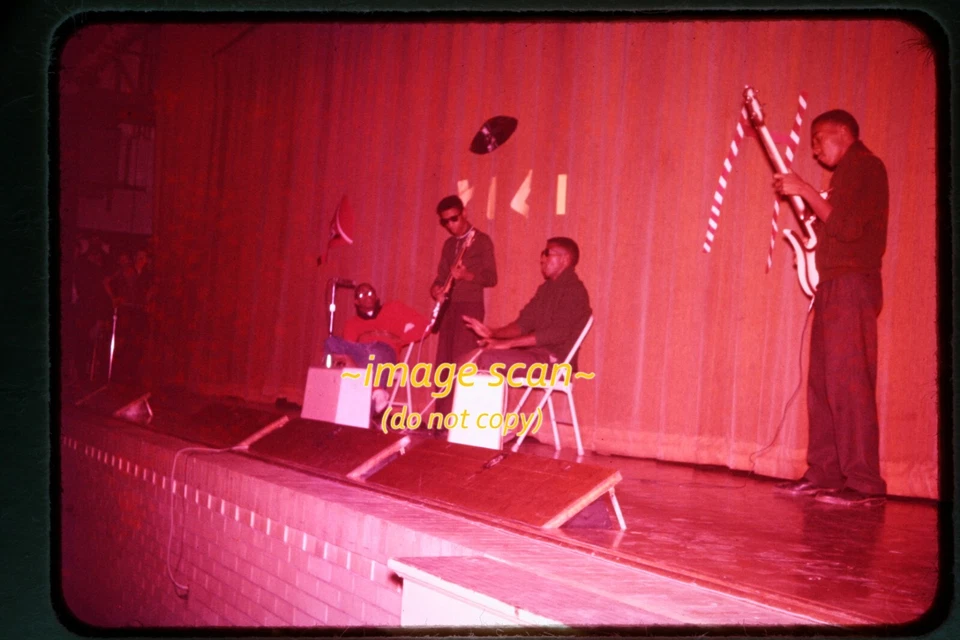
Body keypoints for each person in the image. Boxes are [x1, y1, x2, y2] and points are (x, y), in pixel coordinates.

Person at [771, 109, 889, 507]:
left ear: (843, 133)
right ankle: (826, 473)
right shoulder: (845, 179)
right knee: (824, 385)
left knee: (849, 384)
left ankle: (864, 483)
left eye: (819, 139)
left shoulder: (866, 167)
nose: (816, 150)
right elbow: (834, 229)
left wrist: (805, 190)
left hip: (852, 285)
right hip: (834, 285)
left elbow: (850, 228)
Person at [463, 237, 592, 375]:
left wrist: (507, 344)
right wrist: (493, 333)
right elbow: (522, 325)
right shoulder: (546, 289)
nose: (542, 259)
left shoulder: (574, 291)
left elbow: (556, 334)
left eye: (548, 253)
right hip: (537, 355)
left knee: (488, 359)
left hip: (555, 362)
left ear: (565, 259)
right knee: (473, 356)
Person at [430, 195, 498, 413]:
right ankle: (441, 418)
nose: (450, 225)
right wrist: (436, 290)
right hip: (449, 307)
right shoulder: (449, 245)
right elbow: (440, 278)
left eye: (454, 218)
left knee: (463, 360)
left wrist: (467, 275)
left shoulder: (482, 241)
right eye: (445, 222)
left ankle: (460, 418)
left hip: (470, 306)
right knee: (443, 363)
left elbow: (491, 278)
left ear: (464, 213)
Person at [324, 283, 429, 413]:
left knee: (374, 354)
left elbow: (426, 325)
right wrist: (348, 358)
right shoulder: (352, 323)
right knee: (331, 341)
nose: (367, 296)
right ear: (356, 301)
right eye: (362, 295)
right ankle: (376, 390)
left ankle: (370, 394)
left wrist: (402, 339)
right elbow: (348, 346)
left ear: (376, 296)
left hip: (385, 352)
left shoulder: (393, 308)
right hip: (362, 352)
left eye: (370, 293)